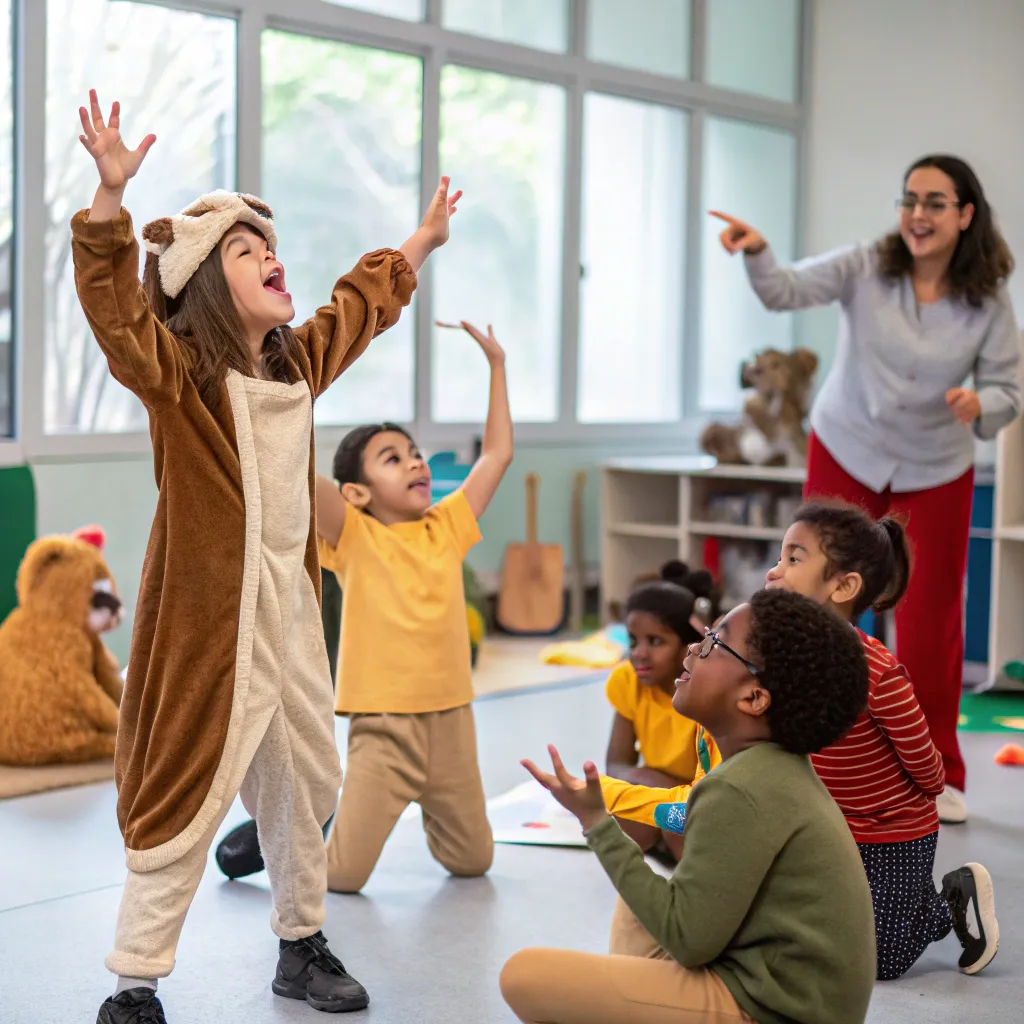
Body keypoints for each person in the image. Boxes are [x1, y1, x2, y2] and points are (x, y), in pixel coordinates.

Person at [73, 90, 458, 1023]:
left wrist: (420, 242)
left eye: (266, 245)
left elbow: (361, 308)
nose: (268, 258)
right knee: (185, 788)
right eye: (243, 252)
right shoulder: (182, 378)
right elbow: (120, 321)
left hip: (286, 614)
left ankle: (300, 941)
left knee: (305, 780)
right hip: (207, 624)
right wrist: (109, 207)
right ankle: (133, 985)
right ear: (207, 284)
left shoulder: (292, 365)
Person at [711, 154, 1022, 823]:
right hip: (848, 444)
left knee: (930, 612)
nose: (918, 214)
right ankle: (804, 749)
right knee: (813, 599)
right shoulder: (864, 266)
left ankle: (938, 771)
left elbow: (1009, 390)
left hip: (934, 463)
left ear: (966, 215)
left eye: (936, 202)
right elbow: (784, 291)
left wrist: (982, 402)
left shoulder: (987, 299)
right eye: (910, 199)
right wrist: (759, 251)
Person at [501, 588, 876, 1024]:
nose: (695, 647)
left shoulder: (739, 790)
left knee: (524, 975)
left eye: (715, 642)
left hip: (769, 1010)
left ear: (753, 699)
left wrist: (596, 821)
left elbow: (689, 939)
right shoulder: (769, 768)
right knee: (638, 910)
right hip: (774, 990)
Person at [764, 502, 999, 978]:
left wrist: (922, 792)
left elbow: (929, 772)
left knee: (882, 963)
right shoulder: (777, 655)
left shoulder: (876, 669)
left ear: (844, 586)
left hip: (893, 828)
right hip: (826, 822)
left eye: (793, 558)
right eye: (779, 556)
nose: (774, 571)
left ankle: (949, 897)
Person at [317, 321, 511, 893]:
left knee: (473, 861)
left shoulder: (447, 525)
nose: (415, 463)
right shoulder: (352, 535)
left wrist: (496, 365)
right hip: (385, 727)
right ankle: (276, 836)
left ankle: (361, 821)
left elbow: (497, 454)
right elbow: (294, 471)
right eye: (391, 458)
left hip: (452, 721)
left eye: (415, 454)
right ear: (356, 492)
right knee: (343, 877)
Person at [600, 561, 714, 861]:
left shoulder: (708, 693)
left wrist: (663, 790)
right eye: (633, 640)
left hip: (700, 807)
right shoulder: (628, 681)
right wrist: (649, 780)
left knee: (679, 820)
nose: (638, 652)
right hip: (664, 798)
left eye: (655, 641)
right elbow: (616, 766)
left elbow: (717, 791)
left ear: (688, 646)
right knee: (621, 811)